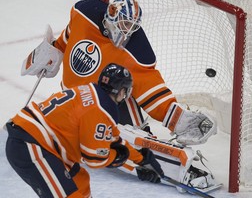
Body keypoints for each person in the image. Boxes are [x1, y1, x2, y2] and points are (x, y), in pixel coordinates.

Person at [20, 0, 218, 192]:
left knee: (125, 128)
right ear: (111, 14)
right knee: (85, 140)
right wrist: (54, 49)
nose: (127, 31)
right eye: (124, 23)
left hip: (109, 102)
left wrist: (178, 119)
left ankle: (148, 147)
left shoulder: (137, 50)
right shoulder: (84, 12)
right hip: (77, 99)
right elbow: (70, 34)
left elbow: (152, 89)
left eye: (132, 26)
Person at [5, 63, 164, 198]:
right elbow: (94, 159)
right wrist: (121, 157)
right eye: (126, 91)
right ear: (121, 91)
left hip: (37, 142)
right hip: (30, 146)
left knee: (80, 181)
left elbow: (111, 140)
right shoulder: (100, 111)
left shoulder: (92, 94)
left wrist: (140, 159)